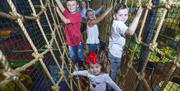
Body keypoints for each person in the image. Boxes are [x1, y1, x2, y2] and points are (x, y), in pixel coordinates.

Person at [108, 3, 143, 82]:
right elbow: (130, 32)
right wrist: (137, 16)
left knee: (113, 72)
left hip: (113, 52)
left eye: (125, 14)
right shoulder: (119, 24)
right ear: (114, 16)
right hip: (115, 54)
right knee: (113, 73)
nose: (123, 17)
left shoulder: (115, 22)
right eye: (120, 15)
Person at [55, 0, 84, 65]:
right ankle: (76, 66)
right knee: (72, 56)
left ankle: (82, 65)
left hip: (77, 40)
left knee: (80, 55)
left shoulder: (77, 15)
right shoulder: (67, 13)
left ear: (77, 5)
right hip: (70, 41)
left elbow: (65, 21)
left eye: (73, 5)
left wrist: (57, 11)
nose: (71, 7)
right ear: (67, 6)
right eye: (69, 5)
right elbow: (61, 7)